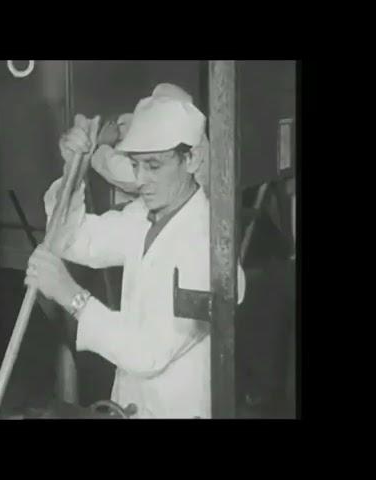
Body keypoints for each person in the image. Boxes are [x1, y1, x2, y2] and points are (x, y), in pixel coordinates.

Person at [24, 85, 246, 418]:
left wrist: (72, 296)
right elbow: (74, 239)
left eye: (154, 166)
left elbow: (149, 352)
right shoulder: (142, 216)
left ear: (192, 159)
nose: (140, 180)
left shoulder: (207, 244)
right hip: (130, 404)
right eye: (136, 165)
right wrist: (76, 169)